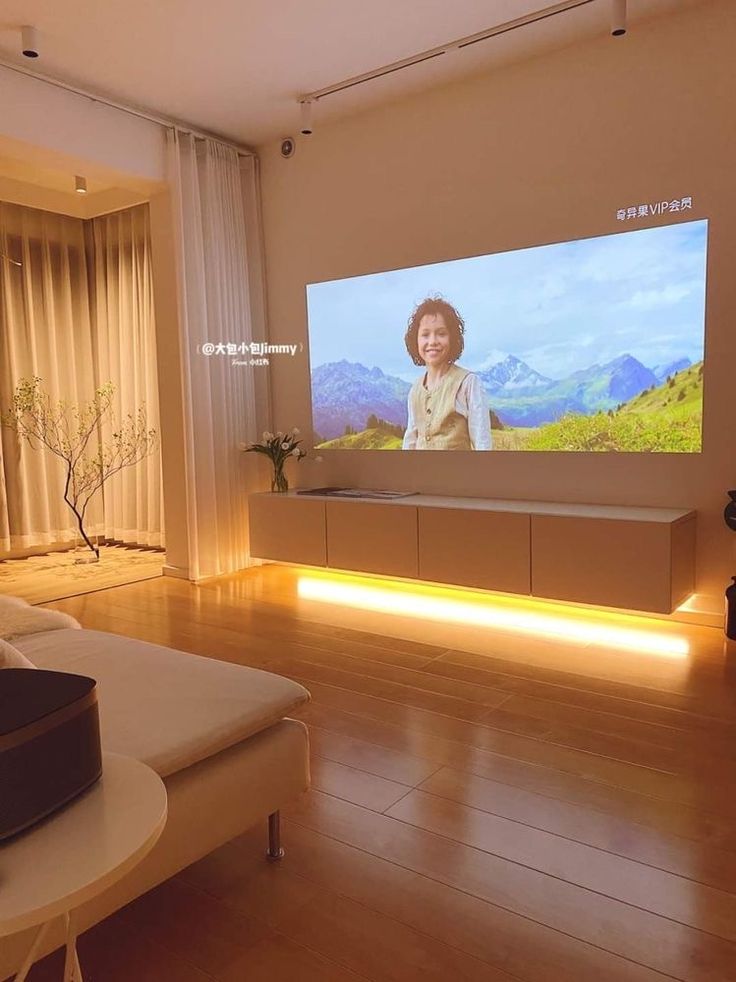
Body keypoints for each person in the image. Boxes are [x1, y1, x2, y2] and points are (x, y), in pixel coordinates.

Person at [402, 296, 492, 450]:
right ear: (415, 340)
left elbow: (482, 443)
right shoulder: (414, 391)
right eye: (425, 334)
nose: (432, 341)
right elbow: (410, 441)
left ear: (452, 338)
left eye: (441, 334)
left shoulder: (468, 383)